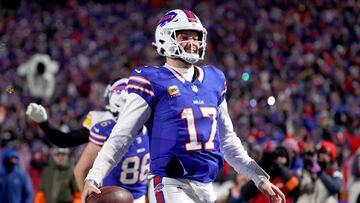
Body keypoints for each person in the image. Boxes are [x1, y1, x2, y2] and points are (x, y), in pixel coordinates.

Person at [83, 9, 285, 203]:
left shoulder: (214, 79)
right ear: (165, 38)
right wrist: (94, 177)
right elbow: (122, 135)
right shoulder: (151, 80)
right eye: (184, 36)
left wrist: (259, 177)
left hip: (207, 187)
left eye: (195, 37)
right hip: (171, 184)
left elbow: (228, 141)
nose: (192, 43)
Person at [73, 79, 150, 203]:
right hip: (111, 199)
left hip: (140, 198)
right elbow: (80, 169)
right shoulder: (105, 131)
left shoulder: (152, 129)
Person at [25, 78, 129, 148]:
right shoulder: (142, 121)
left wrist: (44, 123)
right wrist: (44, 124)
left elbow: (64, 141)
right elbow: (65, 140)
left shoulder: (100, 120)